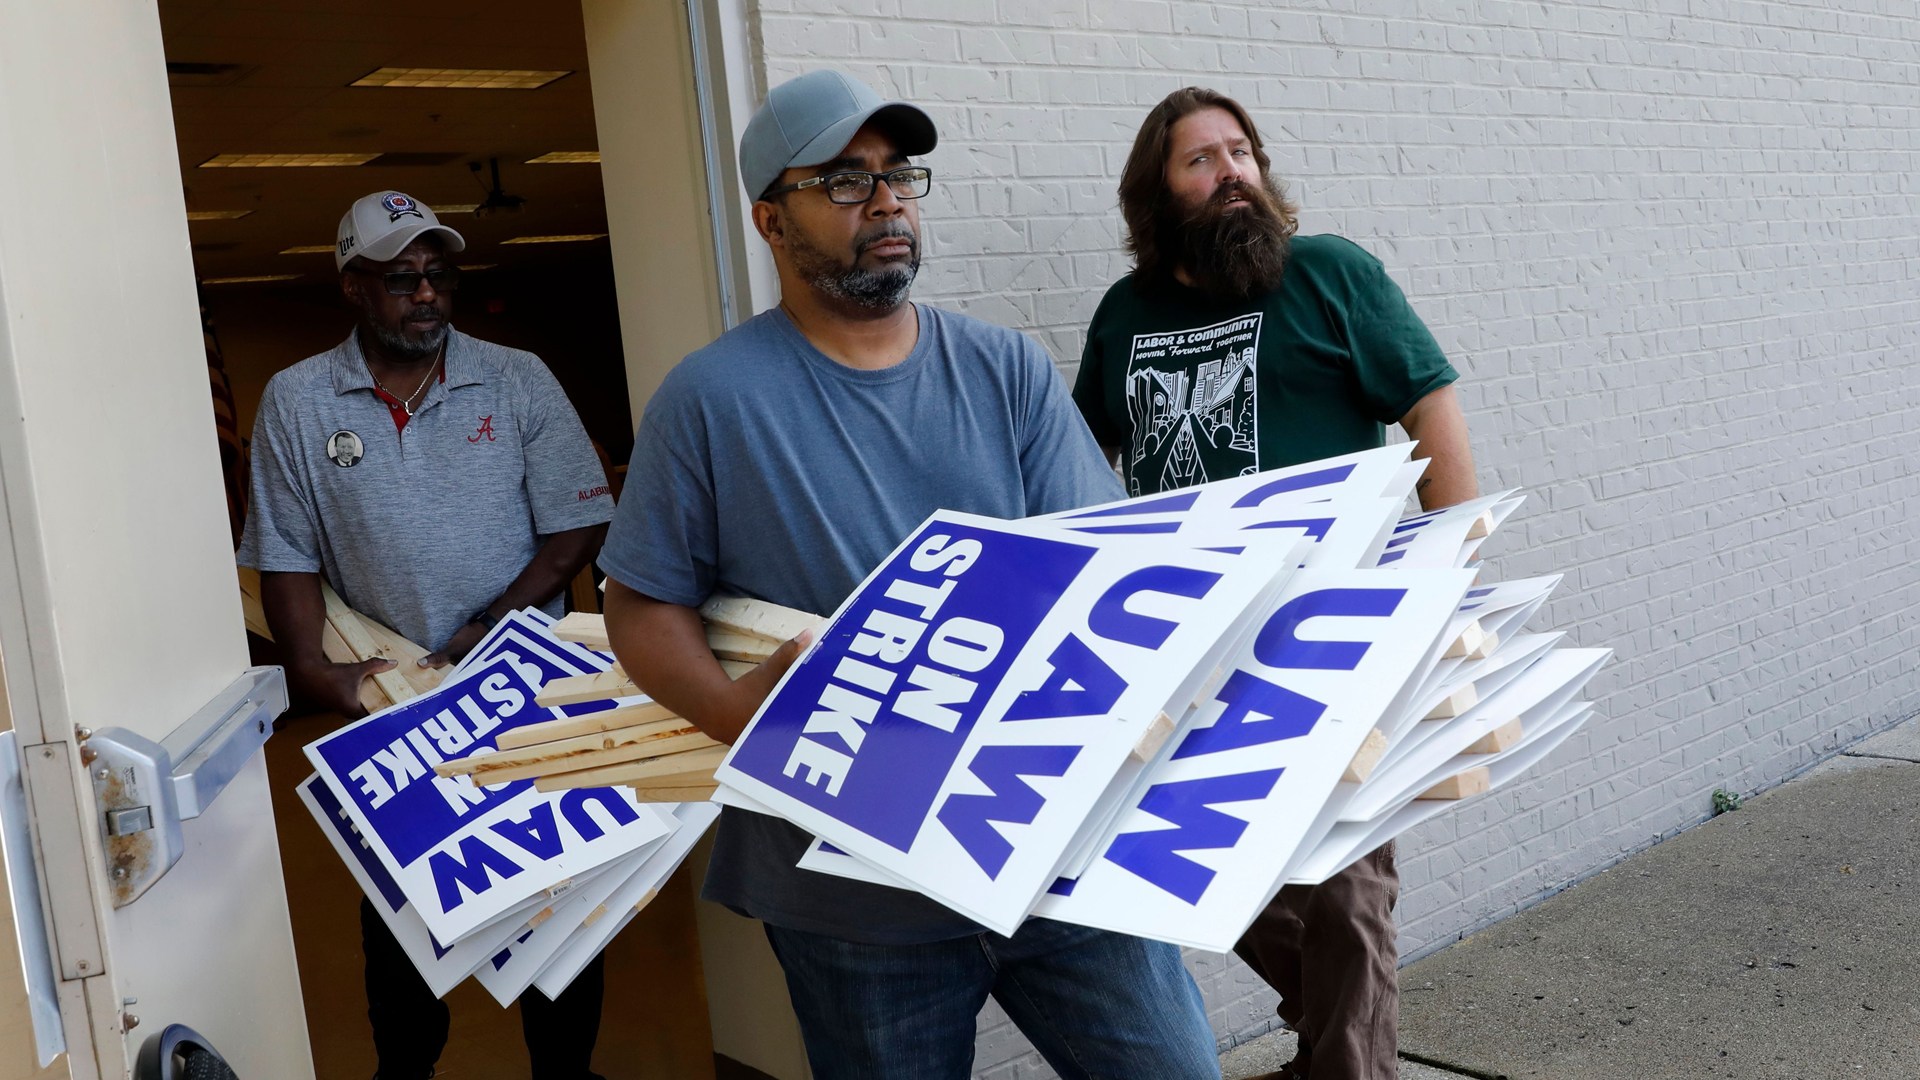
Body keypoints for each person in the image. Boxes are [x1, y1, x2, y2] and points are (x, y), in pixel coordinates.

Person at [597, 70, 1223, 1080]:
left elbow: (1102, 569)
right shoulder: (710, 400)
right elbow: (638, 602)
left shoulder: (1002, 369)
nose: (886, 200)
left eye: (897, 175)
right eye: (844, 180)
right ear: (770, 218)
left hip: (1047, 844)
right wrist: (732, 716)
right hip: (854, 897)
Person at [1071, 87, 1480, 1080]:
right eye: (1201, 161)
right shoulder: (1126, 317)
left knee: (1346, 886)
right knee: (1200, 867)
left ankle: (1349, 1062)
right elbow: (1083, 464)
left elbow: (1433, 415)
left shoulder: (1330, 275)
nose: (1232, 174)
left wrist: (1447, 581)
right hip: (1187, 651)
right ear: (1155, 194)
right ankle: (1343, 1035)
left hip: (1333, 633)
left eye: (1242, 152)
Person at [237, 190, 615, 1080]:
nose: (426, 295)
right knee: (403, 903)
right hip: (389, 697)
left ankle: (564, 1070)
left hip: (523, 679)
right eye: (400, 278)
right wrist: (307, 670)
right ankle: (406, 1070)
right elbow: (284, 555)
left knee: (555, 893)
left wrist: (493, 625)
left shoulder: (517, 377)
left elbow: (576, 524)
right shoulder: (297, 400)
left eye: (439, 275)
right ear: (353, 289)